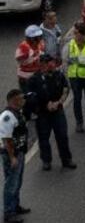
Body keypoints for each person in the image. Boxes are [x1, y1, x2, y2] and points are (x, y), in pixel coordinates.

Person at [26, 55, 74, 171]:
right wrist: (44, 104)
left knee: (62, 136)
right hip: (42, 114)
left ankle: (66, 160)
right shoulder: (34, 80)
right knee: (43, 138)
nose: (52, 65)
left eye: (52, 62)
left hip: (57, 111)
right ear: (42, 65)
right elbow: (29, 98)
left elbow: (66, 89)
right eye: (49, 63)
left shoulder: (58, 75)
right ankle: (46, 161)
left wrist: (58, 102)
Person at [0, 89, 29, 223]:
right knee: (11, 184)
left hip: (19, 152)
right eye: (21, 99)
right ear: (14, 100)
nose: (23, 101)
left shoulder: (17, 113)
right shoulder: (7, 116)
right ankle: (8, 214)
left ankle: (15, 206)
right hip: (11, 154)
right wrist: (12, 157)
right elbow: (6, 139)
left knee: (17, 182)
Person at [14, 27, 44, 93]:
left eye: (40, 37)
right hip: (26, 78)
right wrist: (32, 55)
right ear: (31, 38)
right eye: (38, 37)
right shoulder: (24, 48)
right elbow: (19, 59)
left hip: (37, 74)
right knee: (28, 96)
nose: (40, 39)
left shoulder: (40, 44)